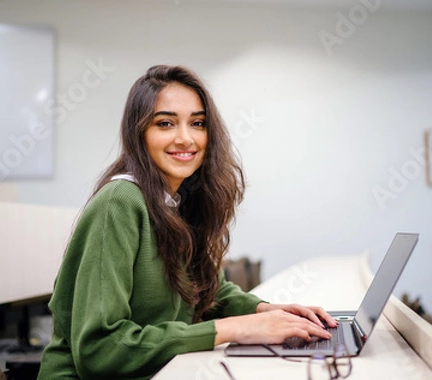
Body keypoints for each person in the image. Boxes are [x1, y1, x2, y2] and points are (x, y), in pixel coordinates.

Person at [37, 65, 337, 380]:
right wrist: (235, 328)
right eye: (165, 123)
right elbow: (101, 350)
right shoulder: (121, 202)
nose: (185, 138)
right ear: (139, 134)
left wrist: (266, 311)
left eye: (197, 123)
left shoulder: (177, 202)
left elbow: (209, 290)